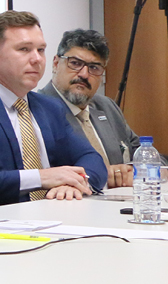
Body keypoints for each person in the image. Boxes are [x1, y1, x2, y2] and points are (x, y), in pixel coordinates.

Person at [0, 11, 106, 205]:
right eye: (24, 49)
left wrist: (73, 184)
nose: (37, 59)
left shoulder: (50, 107)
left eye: (40, 50)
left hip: (57, 216)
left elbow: (91, 159)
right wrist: (41, 178)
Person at [39, 29, 165, 187]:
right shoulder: (37, 109)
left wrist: (131, 170)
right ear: (56, 63)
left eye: (94, 67)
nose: (84, 74)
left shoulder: (106, 107)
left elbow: (147, 155)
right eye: (75, 63)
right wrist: (103, 175)